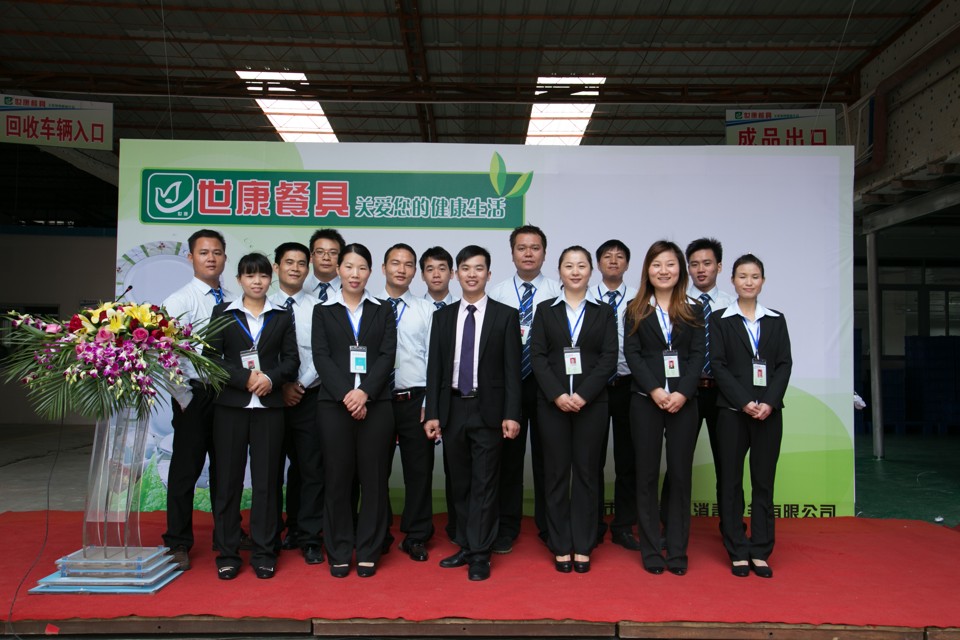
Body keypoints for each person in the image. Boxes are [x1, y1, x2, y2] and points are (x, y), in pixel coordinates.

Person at [424, 245, 522, 581]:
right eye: (465, 268)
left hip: (488, 410)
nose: (471, 274)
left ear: (488, 275)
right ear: (456, 274)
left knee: (485, 483)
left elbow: (512, 371)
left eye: (478, 268)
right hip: (452, 408)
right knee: (460, 484)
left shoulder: (505, 315)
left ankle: (480, 554)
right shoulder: (442, 317)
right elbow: (435, 370)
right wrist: (432, 413)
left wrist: (512, 414)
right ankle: (466, 544)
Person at [207, 252, 299, 580]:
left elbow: (291, 361)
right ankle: (228, 552)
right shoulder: (223, 313)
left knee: (267, 483)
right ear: (239, 280)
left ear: (269, 279)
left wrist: (270, 378)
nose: (257, 281)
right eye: (249, 275)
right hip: (231, 409)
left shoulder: (282, 315)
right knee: (228, 482)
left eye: (262, 275)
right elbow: (211, 359)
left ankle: (264, 552)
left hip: (270, 410)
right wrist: (244, 378)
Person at [530, 246, 618, 574]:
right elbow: (537, 356)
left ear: (590, 271)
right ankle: (559, 543)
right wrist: (557, 394)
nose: (576, 271)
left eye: (582, 266)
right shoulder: (545, 310)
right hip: (552, 405)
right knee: (555, 474)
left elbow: (609, 357)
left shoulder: (604, 312)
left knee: (586, 474)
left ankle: (583, 544)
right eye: (569, 266)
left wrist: (582, 395)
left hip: (591, 405)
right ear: (560, 271)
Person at [312, 243, 397, 578]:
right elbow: (321, 356)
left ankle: (369, 549)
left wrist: (364, 393)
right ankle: (338, 549)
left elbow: (387, 355)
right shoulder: (323, 311)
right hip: (335, 406)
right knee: (337, 480)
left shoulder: (383, 309)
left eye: (361, 267)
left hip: (376, 405)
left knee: (374, 481)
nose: (354, 274)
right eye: (348, 267)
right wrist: (348, 394)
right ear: (338, 270)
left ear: (370, 272)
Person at [624, 240, 705, 576]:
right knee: (646, 475)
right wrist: (655, 390)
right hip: (646, 401)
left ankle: (677, 549)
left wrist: (682, 392)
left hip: (684, 403)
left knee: (680, 476)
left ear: (680, 270)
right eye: (657, 265)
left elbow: (698, 355)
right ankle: (651, 548)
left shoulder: (693, 309)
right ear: (648, 270)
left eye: (670, 264)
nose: (663, 271)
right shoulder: (635, 308)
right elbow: (633, 354)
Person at [710, 254, 792, 578]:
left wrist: (769, 402)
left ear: (763, 281)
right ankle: (737, 548)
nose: (748, 282)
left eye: (754, 276)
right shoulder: (720, 319)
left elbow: (784, 364)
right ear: (732, 280)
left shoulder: (776, 320)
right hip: (732, 412)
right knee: (730, 482)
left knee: (763, 482)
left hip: (769, 414)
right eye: (742, 276)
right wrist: (744, 401)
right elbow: (718, 365)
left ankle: (761, 549)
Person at [161, 229, 233, 571]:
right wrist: (184, 397)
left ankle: (226, 535)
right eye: (204, 253)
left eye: (217, 252)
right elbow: (165, 354)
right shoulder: (179, 301)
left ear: (225, 257)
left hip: (228, 395)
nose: (211, 258)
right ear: (191, 257)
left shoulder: (232, 298)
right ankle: (178, 541)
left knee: (226, 468)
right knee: (185, 470)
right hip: (194, 395)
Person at [488, 224, 561, 552]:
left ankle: (549, 526)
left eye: (535, 248)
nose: (528, 253)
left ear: (544, 253)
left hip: (548, 387)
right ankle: (507, 526)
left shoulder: (559, 292)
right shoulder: (498, 293)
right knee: (508, 460)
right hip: (509, 386)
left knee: (549, 459)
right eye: (522, 248)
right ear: (512, 253)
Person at [380, 243, 436, 562]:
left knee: (419, 470)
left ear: (416, 271)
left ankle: (416, 535)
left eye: (408, 264)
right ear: (383, 268)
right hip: (377, 399)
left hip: (415, 399)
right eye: (395, 263)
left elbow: (434, 360)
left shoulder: (426, 310)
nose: (401, 269)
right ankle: (380, 531)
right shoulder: (370, 307)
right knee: (375, 470)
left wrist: (430, 402)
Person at [268, 242, 324, 563]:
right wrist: (281, 385)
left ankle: (308, 535)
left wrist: (299, 385)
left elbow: (322, 353)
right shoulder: (262, 305)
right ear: (276, 267)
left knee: (310, 469)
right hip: (271, 398)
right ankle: (272, 533)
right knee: (271, 468)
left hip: (308, 397)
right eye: (289, 262)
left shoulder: (319, 307)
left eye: (302, 263)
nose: (295, 268)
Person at [590, 239, 642, 551]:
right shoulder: (585, 296)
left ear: (627, 264)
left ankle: (623, 525)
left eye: (619, 256)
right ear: (598, 264)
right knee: (591, 459)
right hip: (593, 388)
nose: (613, 261)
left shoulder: (640, 299)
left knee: (628, 459)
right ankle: (593, 524)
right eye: (607, 257)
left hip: (628, 385)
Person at [682, 237, 737, 524]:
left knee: (728, 463)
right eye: (694, 264)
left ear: (719, 266)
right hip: (686, 392)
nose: (701, 269)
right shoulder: (677, 303)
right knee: (679, 463)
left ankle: (732, 527)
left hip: (722, 394)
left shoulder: (732, 305)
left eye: (707, 263)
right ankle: (672, 525)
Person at [419, 245, 459, 540]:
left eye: (442, 268)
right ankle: (420, 531)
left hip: (457, 398)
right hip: (422, 398)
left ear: (452, 273)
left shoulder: (465, 308)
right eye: (430, 269)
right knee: (421, 468)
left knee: (457, 467)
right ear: (422, 274)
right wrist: (427, 401)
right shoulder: (412, 310)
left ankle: (459, 527)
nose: (436, 274)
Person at [305, 229, 346, 302]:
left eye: (333, 253)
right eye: (320, 252)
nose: (326, 258)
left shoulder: (350, 290)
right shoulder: (300, 288)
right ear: (311, 257)